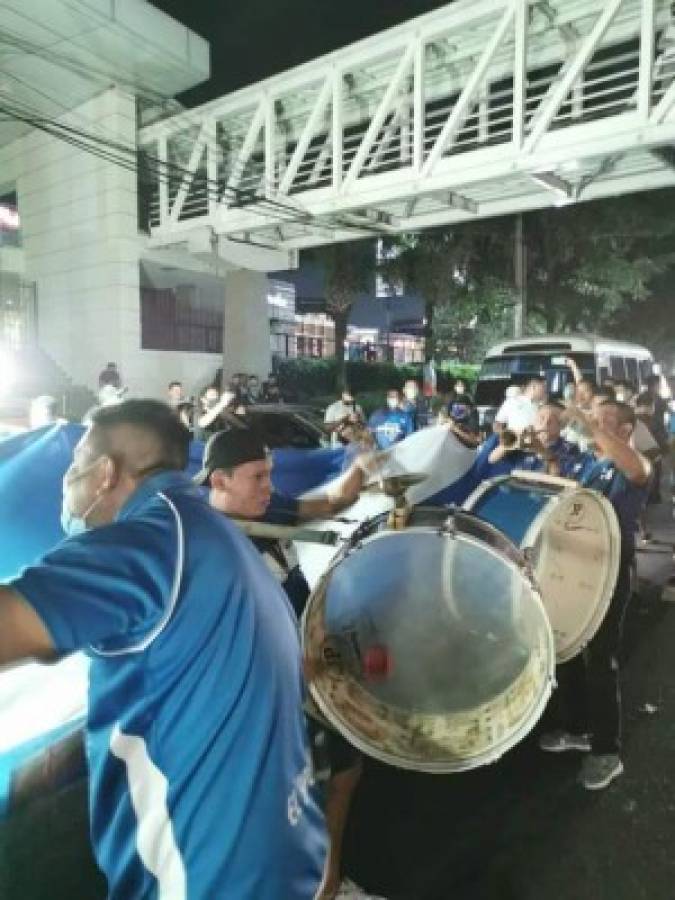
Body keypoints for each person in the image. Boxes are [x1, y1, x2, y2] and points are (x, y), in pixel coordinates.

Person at [0, 400, 326, 898]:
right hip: (284, 853)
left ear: (105, 473)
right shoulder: (217, 536)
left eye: (75, 464)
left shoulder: (147, 544)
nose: (68, 480)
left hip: (201, 874)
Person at [197, 428, 371, 899]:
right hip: (274, 692)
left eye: (270, 475)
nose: (269, 487)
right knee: (296, 798)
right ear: (220, 480)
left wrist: (365, 463)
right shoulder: (212, 549)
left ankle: (326, 883)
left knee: (344, 772)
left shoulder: (265, 510)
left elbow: (328, 505)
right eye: (258, 477)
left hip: (310, 670)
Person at [538, 400, 651, 790]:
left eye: (607, 423)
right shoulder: (595, 464)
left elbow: (637, 470)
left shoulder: (634, 465)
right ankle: (576, 728)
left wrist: (588, 423)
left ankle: (607, 751)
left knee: (601, 659)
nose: (595, 429)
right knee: (568, 647)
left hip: (611, 572)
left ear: (625, 430)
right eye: (596, 422)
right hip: (577, 569)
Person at [487, 402, 578, 475]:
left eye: (552, 420)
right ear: (534, 419)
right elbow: (492, 459)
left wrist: (540, 449)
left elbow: (558, 475)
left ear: (562, 426)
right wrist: (514, 439)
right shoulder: (524, 439)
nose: (545, 423)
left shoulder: (570, 448)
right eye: (541, 418)